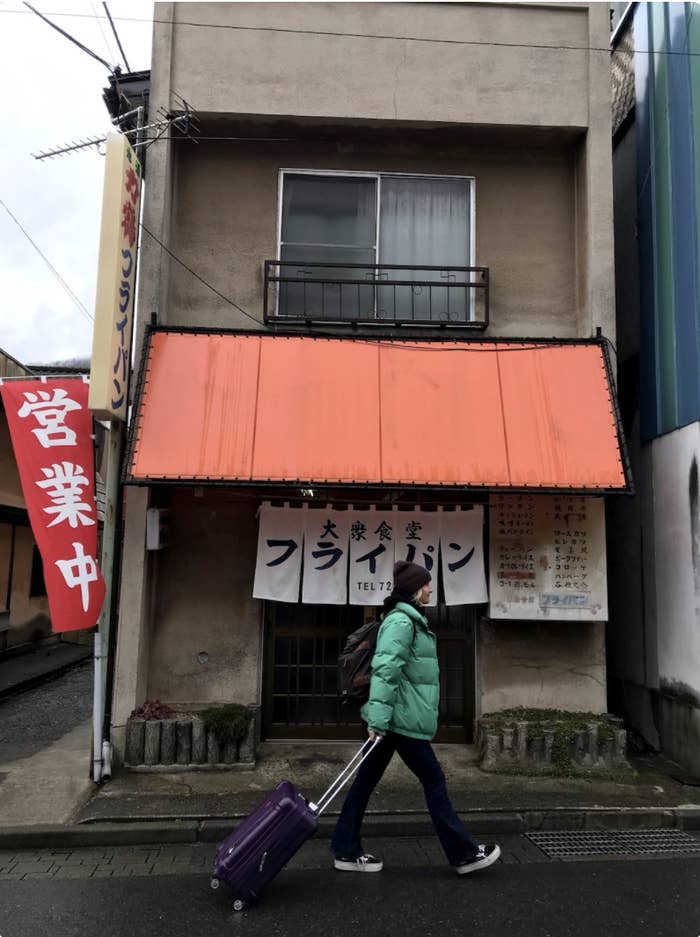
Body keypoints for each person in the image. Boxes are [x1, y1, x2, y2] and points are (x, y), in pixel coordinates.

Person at [331, 560, 501, 875]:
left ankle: (345, 849)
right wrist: (378, 721)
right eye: (426, 584)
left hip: (394, 718)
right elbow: (385, 671)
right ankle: (463, 854)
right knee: (434, 780)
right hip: (398, 720)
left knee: (365, 782)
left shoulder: (408, 620)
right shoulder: (402, 622)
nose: (430, 589)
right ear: (414, 589)